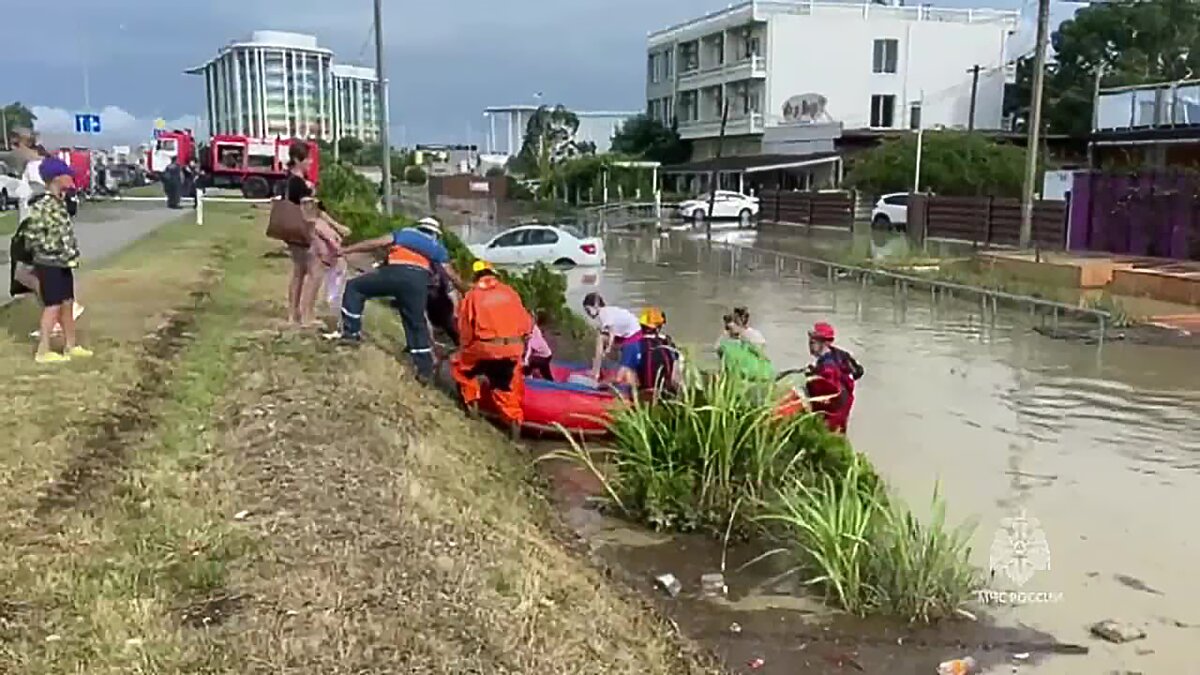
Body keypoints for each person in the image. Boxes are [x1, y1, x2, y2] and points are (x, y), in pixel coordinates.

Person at [337, 220, 467, 381]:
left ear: (418, 227)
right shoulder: (437, 247)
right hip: (418, 282)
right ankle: (424, 369)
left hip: (394, 272)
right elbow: (451, 275)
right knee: (416, 322)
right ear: (435, 234)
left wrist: (345, 250)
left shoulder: (406, 233)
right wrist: (467, 292)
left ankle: (351, 333)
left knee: (355, 287)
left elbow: (375, 243)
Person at [23, 157, 92, 364]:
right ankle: (43, 350)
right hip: (49, 262)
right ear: (55, 178)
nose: (71, 179)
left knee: (67, 303)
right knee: (52, 305)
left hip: (63, 262)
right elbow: (33, 234)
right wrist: (51, 251)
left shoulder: (60, 201)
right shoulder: (42, 204)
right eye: (67, 175)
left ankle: (70, 345)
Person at [453, 260, 533, 433]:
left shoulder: (472, 296)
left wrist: (464, 349)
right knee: (507, 386)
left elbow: (465, 329)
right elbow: (527, 325)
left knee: (462, 368)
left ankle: (472, 404)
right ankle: (515, 424)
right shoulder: (510, 293)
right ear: (493, 274)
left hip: (485, 347)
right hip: (513, 348)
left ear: (476, 277)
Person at [284, 142, 350, 326]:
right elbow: (312, 212)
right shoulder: (298, 184)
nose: (311, 162)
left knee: (299, 272)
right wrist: (333, 230)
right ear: (298, 159)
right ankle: (307, 315)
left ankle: (294, 314)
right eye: (308, 158)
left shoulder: (292, 181)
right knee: (315, 272)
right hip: (305, 232)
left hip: (293, 232)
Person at [805, 322, 864, 434]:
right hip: (844, 404)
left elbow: (827, 396)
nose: (810, 345)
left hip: (834, 412)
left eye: (813, 342)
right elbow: (858, 372)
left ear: (824, 343)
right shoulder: (838, 355)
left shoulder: (828, 368)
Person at [412, 218, 459, 346]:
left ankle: (430, 344)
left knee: (422, 316)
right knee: (448, 322)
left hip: (420, 287)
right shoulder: (436, 248)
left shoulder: (409, 242)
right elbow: (447, 277)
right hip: (434, 289)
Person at [615, 307, 679, 395]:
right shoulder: (670, 346)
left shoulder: (632, 346)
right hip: (665, 395)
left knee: (628, 372)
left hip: (642, 396)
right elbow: (675, 378)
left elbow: (619, 378)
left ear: (641, 326)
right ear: (659, 328)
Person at [582, 292, 642, 379]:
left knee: (622, 373)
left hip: (632, 335)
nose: (588, 313)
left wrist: (608, 348)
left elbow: (612, 331)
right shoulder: (604, 313)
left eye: (588, 310)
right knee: (600, 339)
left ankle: (596, 371)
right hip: (625, 333)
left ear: (595, 306)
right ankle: (596, 371)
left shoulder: (604, 313)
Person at [716, 311, 774, 381]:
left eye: (728, 328)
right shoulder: (731, 339)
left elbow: (759, 350)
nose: (727, 330)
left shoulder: (750, 335)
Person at [523, 309, 554, 380]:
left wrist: (525, 360)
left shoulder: (534, 331)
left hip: (544, 356)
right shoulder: (530, 329)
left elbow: (529, 348)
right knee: (546, 373)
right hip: (544, 355)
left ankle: (528, 380)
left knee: (529, 363)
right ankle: (551, 383)